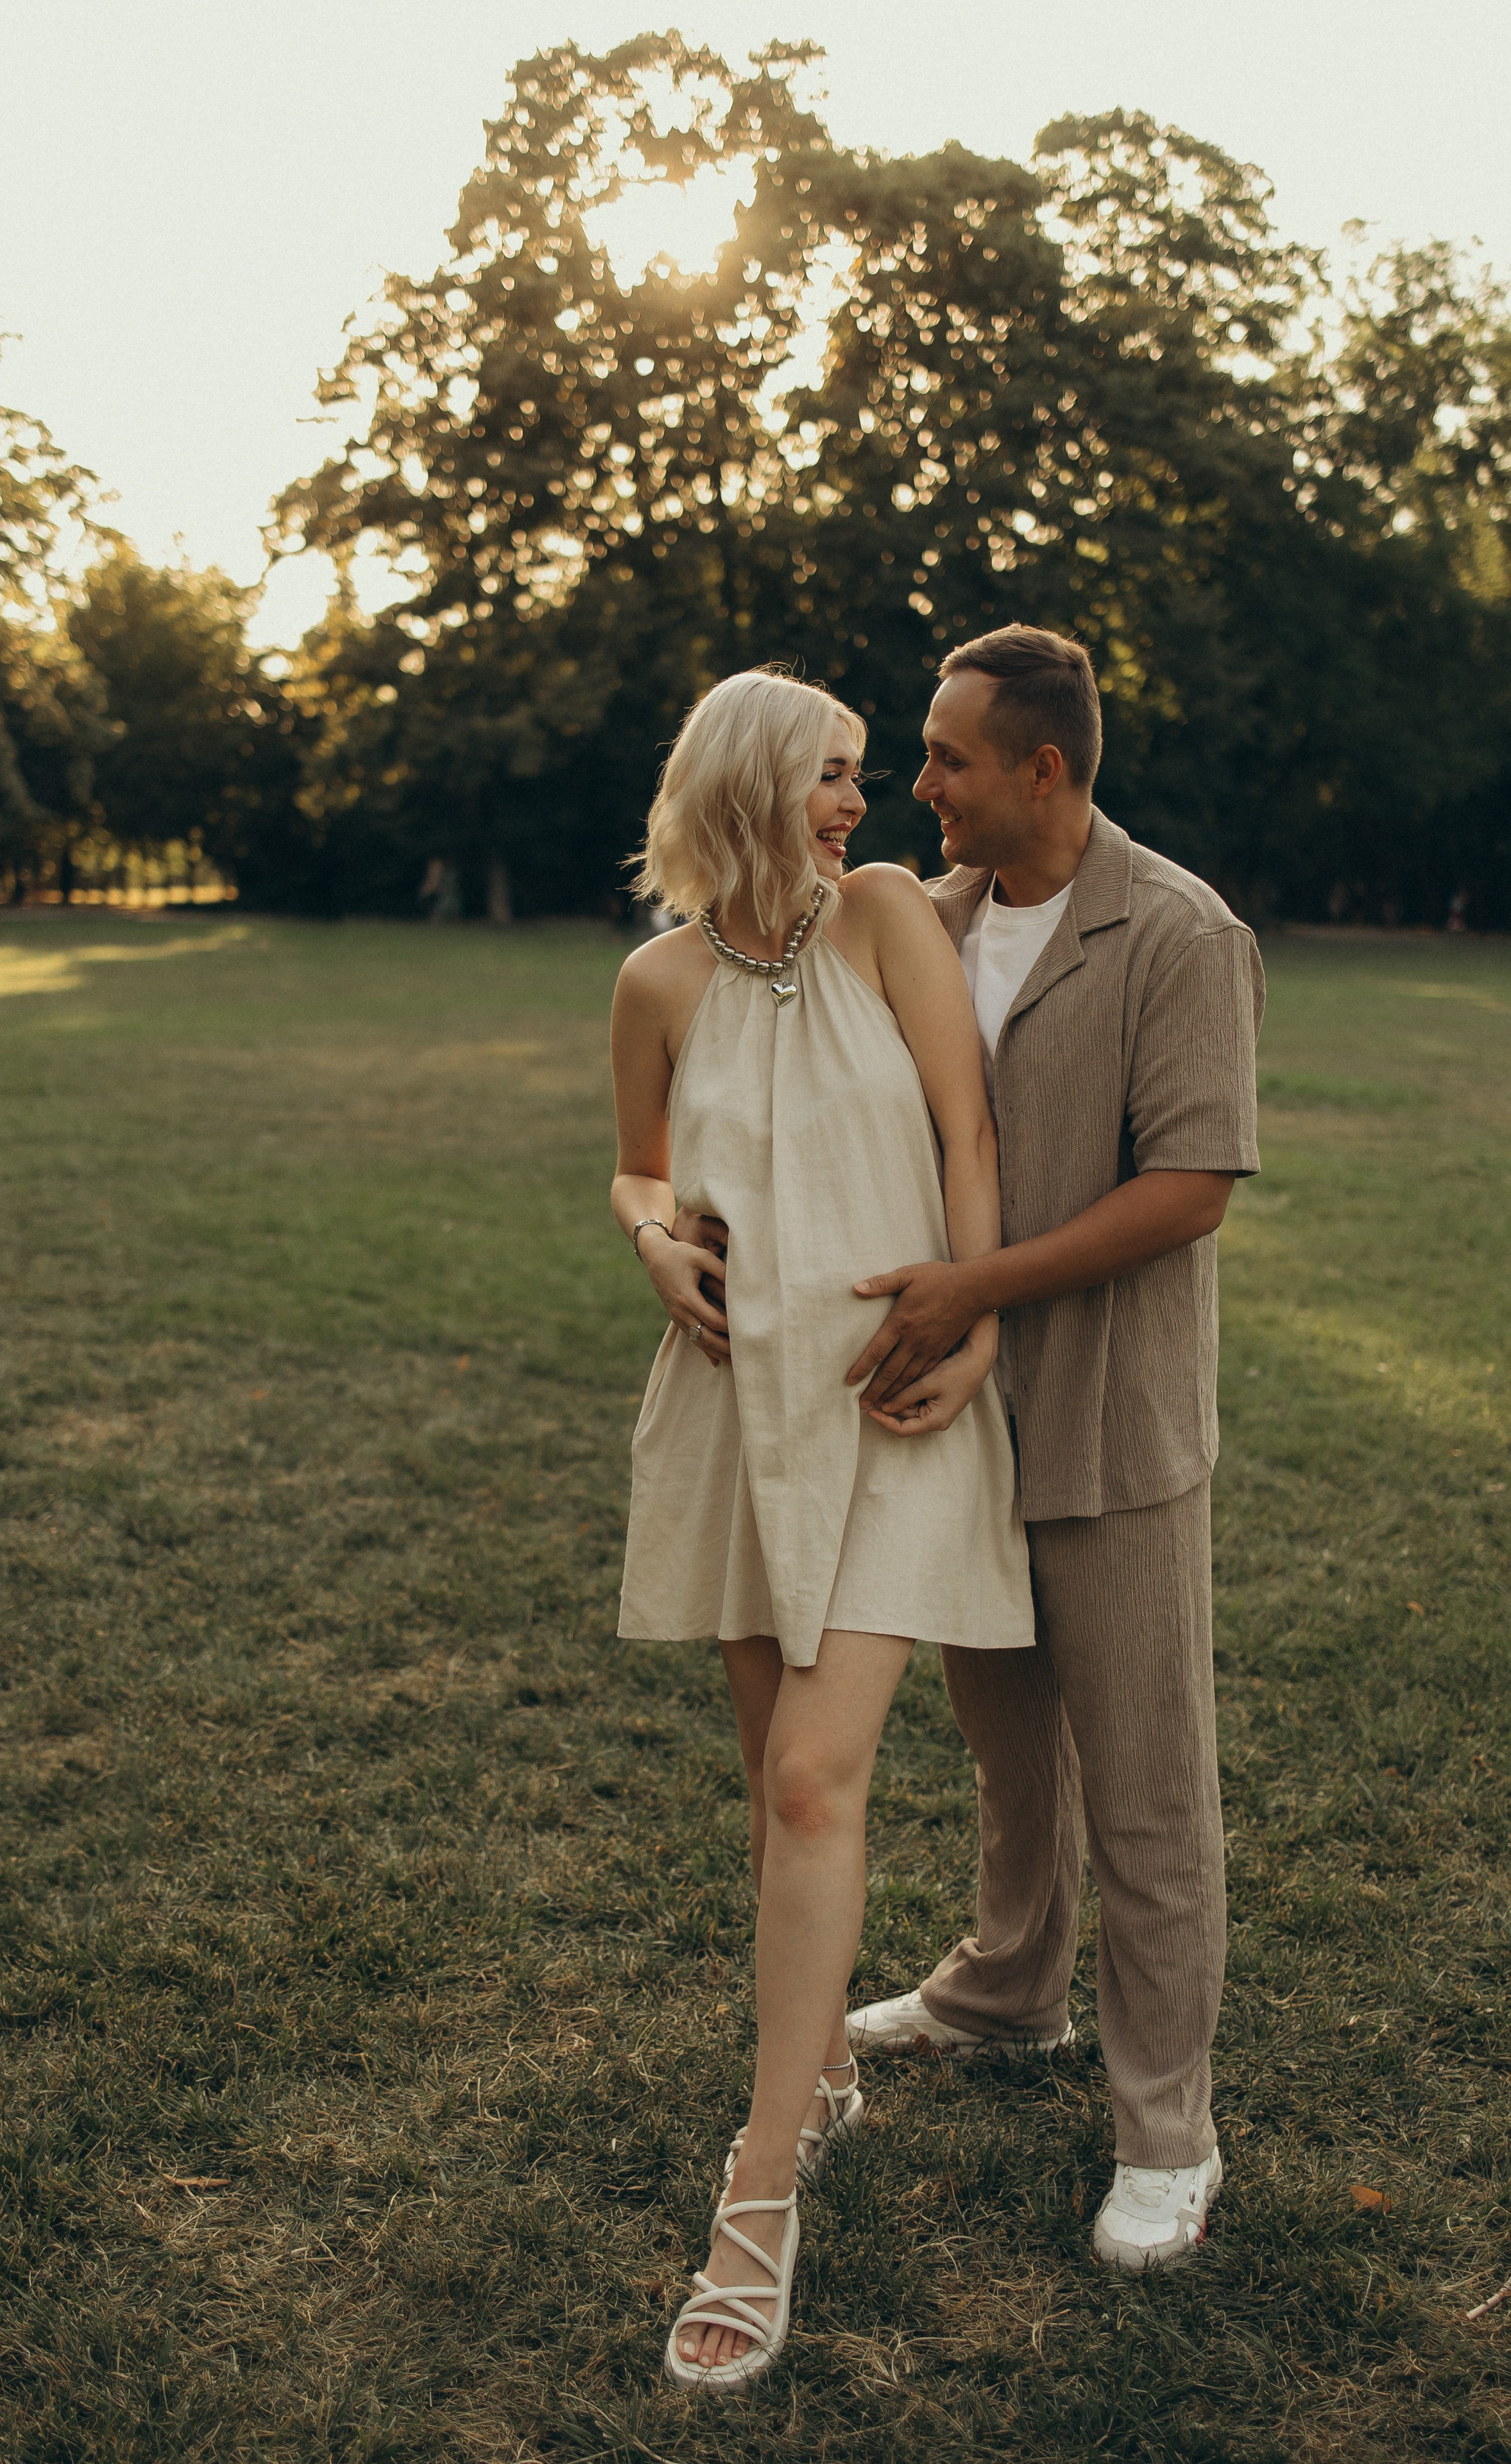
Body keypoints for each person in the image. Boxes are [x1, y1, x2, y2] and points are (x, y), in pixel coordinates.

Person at [610, 668, 1034, 2393]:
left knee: (812, 1777)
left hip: (893, 1400)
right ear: (746, 784)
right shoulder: (654, 980)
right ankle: (825, 2069)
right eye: (832, 778)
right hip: (729, 1410)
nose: (862, 808)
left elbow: (967, 1129)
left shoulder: (882, 925)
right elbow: (640, 1169)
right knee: (774, 1772)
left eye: (869, 776)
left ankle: (760, 2188)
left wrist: (984, 1320)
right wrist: (647, 1234)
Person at [833, 625, 1265, 2272]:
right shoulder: (924, 920)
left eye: (944, 757)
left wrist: (976, 1286)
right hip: (958, 1418)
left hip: (1111, 1421)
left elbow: (1191, 1186)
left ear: (1043, 768)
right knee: (1009, 1740)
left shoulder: (1176, 932)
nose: (915, 785)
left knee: (1147, 1792)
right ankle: (1009, 1990)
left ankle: (1169, 2128)